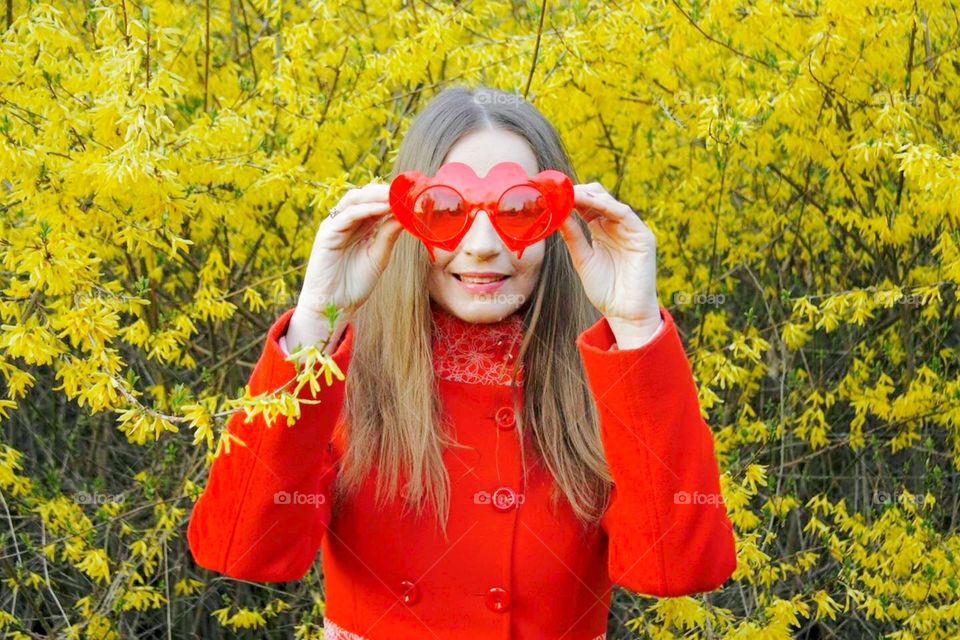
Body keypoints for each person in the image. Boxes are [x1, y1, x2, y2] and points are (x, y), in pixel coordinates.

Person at [186, 85, 737, 640]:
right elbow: (241, 551)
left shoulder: (602, 378)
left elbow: (683, 567)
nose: (481, 245)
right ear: (406, 219)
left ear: (558, 221)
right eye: (445, 210)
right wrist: (315, 322)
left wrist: (636, 326)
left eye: (518, 209)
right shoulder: (343, 373)